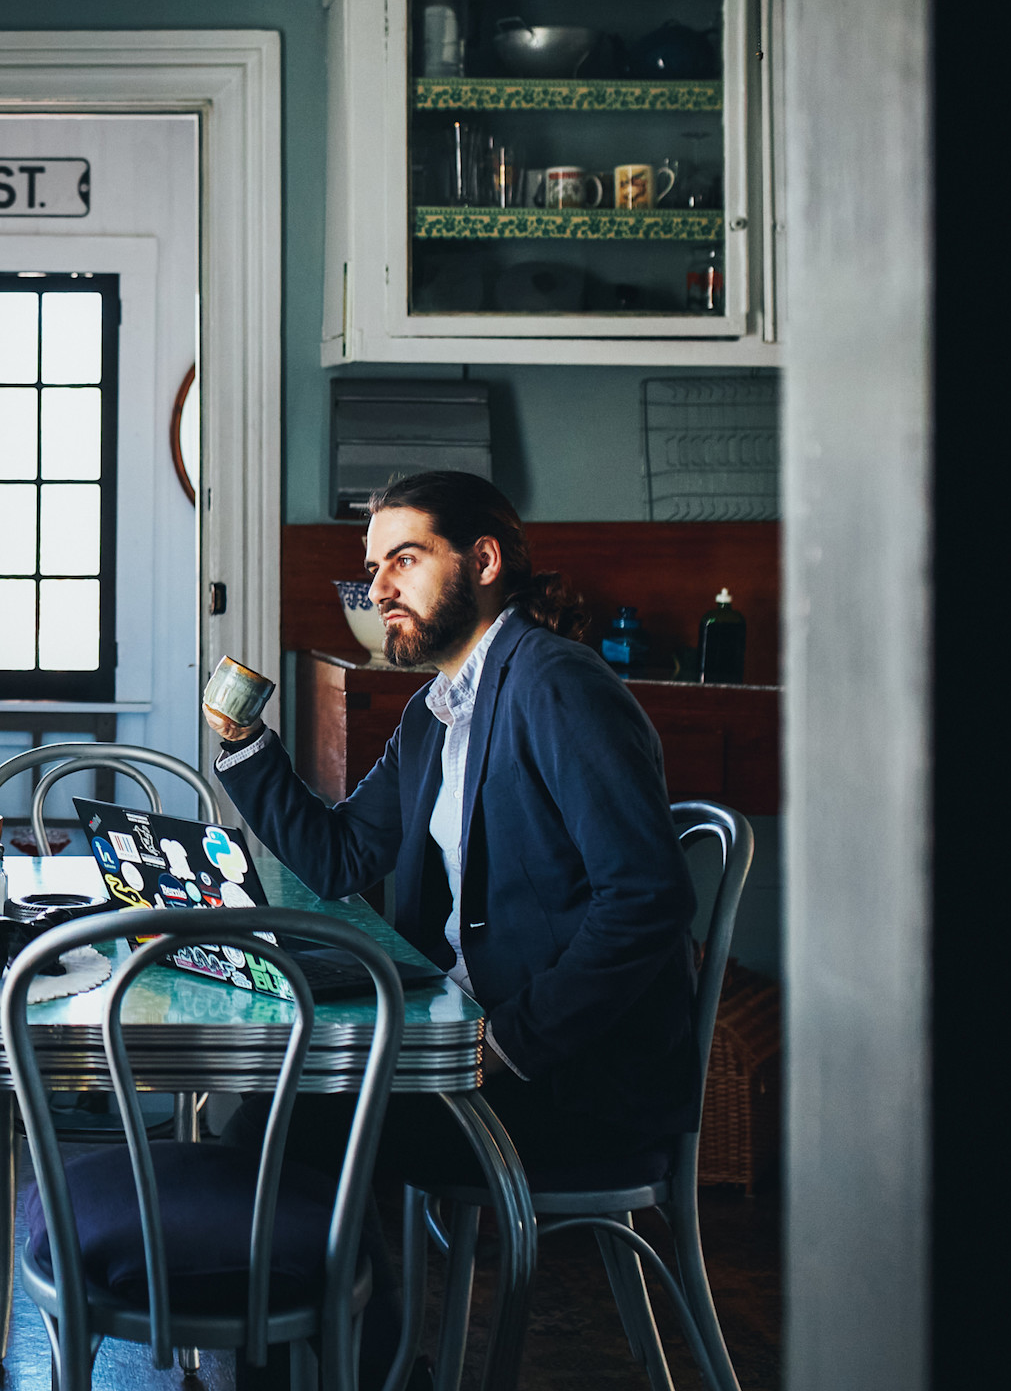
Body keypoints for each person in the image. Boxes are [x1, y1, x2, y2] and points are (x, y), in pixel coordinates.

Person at [210, 471, 700, 1384]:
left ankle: (362, 1370)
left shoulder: (556, 685)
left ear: (483, 561)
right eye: (372, 567)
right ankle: (371, 1364)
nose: (380, 587)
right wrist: (244, 747)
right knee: (281, 1109)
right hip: (474, 1061)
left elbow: (648, 900)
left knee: (286, 1130)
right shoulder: (438, 712)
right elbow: (345, 855)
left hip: (569, 1090)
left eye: (405, 559)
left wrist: (512, 1042)